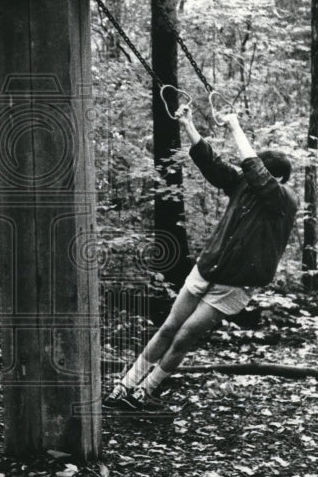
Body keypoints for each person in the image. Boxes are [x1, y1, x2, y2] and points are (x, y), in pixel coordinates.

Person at [104, 105, 298, 412]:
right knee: (169, 327)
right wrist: (188, 124)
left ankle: (147, 391)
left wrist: (234, 127)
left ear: (276, 178)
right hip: (207, 269)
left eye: (259, 170)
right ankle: (125, 387)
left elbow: (255, 170)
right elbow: (214, 165)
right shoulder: (245, 186)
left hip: (234, 285)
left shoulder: (284, 199)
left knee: (184, 335)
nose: (250, 173)